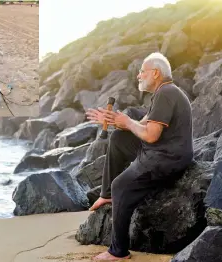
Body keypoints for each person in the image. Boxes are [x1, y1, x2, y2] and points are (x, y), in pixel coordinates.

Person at [86, 52, 193, 261]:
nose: (138, 76)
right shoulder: (163, 93)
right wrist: (113, 120)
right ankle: (106, 194)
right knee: (118, 138)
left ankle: (118, 251)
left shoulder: (167, 93)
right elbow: (142, 124)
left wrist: (127, 122)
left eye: (142, 71)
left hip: (166, 158)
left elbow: (151, 136)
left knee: (121, 186)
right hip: (164, 151)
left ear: (155, 73)